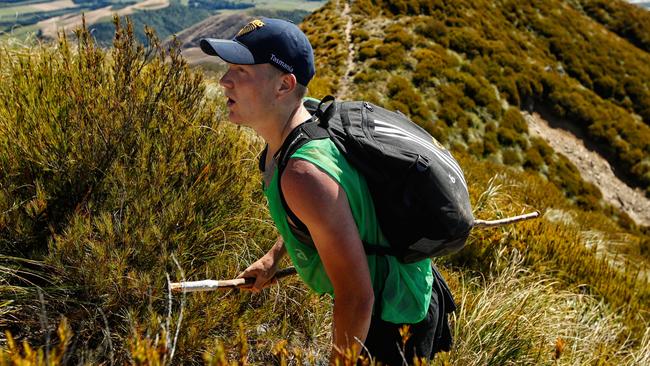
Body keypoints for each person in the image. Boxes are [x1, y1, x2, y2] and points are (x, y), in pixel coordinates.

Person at [199, 17, 453, 365]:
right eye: (228, 68)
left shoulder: (303, 174)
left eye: (241, 72)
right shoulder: (303, 125)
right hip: (401, 294)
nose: (224, 81)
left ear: (284, 85)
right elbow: (322, 215)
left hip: (391, 317)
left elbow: (356, 297)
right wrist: (273, 258)